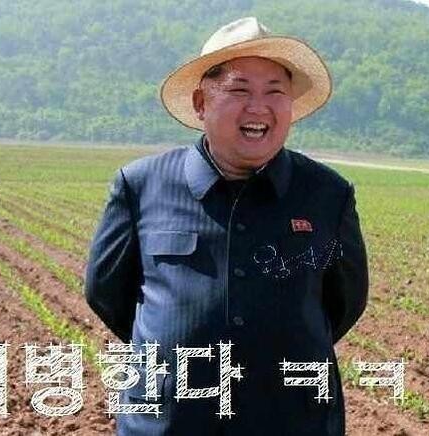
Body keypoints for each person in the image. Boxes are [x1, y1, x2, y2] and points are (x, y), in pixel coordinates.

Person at [85, 16, 369, 436]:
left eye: (275, 92)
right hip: (169, 424)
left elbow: (344, 302)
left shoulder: (328, 195)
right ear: (201, 103)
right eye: (240, 90)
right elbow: (107, 293)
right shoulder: (141, 186)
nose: (258, 107)